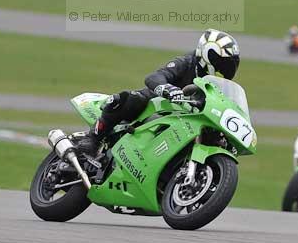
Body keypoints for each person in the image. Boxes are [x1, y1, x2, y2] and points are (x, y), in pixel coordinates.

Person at [75, 29, 241, 155]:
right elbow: (154, 77)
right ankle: (93, 138)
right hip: (158, 106)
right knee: (130, 99)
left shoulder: (219, 86)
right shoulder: (187, 62)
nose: (225, 69)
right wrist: (168, 89)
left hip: (187, 122)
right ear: (208, 54)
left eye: (229, 65)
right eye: (223, 63)